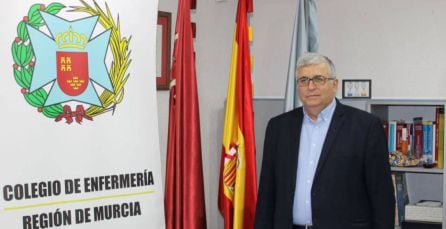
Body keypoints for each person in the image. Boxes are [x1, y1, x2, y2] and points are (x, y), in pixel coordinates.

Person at [254, 53, 395, 229]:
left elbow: (382, 197)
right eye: (303, 80)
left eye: (318, 79)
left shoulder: (365, 127)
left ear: (334, 84)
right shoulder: (278, 127)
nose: (310, 86)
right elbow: (267, 193)